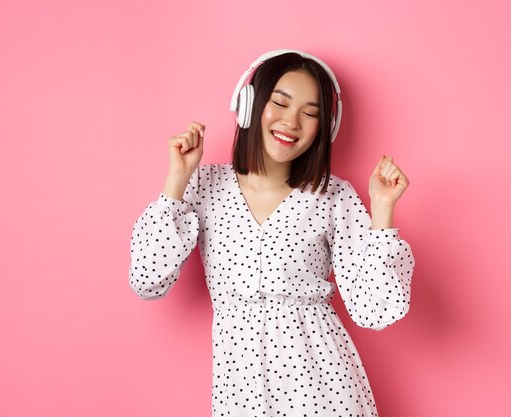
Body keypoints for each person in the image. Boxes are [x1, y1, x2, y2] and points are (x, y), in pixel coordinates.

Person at [129, 49, 414, 417]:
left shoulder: (333, 195)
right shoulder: (204, 185)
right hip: (241, 392)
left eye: (310, 113)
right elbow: (146, 280)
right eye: (280, 103)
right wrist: (176, 181)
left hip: (325, 387)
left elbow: (374, 310)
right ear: (249, 105)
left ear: (324, 128)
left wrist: (383, 210)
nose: (292, 122)